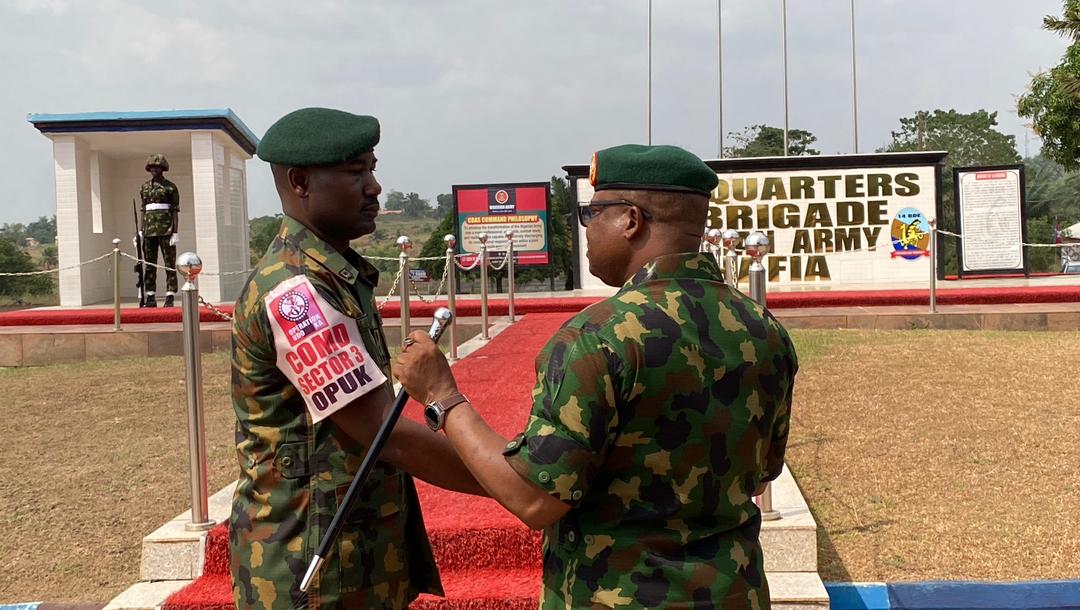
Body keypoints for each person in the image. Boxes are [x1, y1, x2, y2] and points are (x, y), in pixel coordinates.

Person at [394, 144, 799, 609]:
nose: (587, 228)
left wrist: (443, 397)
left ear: (631, 220)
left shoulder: (598, 335)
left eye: (593, 212)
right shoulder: (762, 328)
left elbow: (536, 499)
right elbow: (761, 476)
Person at [230, 107, 483, 610]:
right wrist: (515, 480)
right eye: (355, 172)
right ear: (300, 181)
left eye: (372, 168)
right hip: (315, 568)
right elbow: (375, 428)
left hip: (350, 555)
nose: (374, 187)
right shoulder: (294, 292)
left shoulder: (331, 272)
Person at [139, 153, 180, 307]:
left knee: (169, 263)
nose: (154, 170)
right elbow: (143, 210)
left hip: (166, 229)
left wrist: (175, 232)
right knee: (150, 263)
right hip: (149, 231)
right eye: (152, 167)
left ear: (163, 168)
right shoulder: (144, 187)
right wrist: (141, 231)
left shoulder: (170, 187)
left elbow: (175, 211)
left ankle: (170, 294)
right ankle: (150, 295)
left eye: (157, 167)